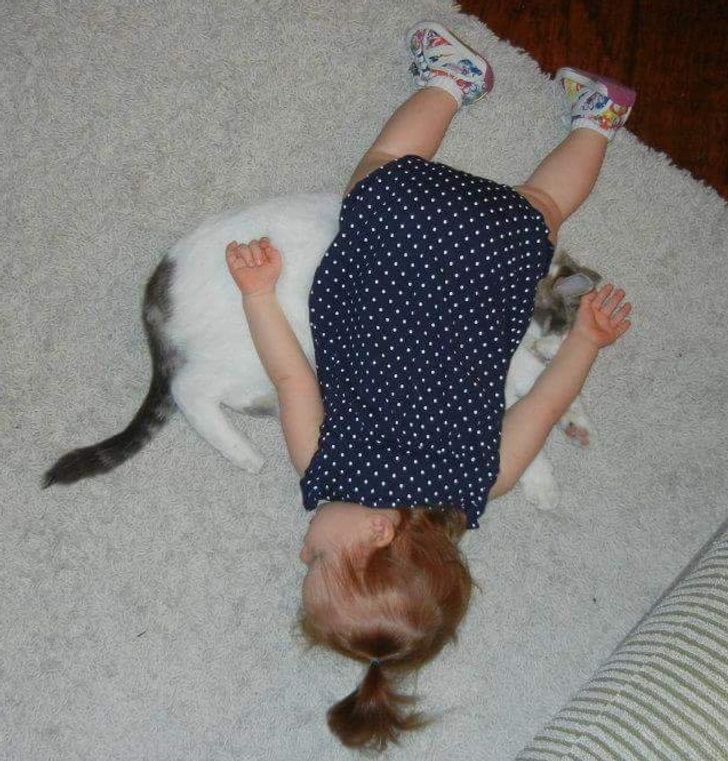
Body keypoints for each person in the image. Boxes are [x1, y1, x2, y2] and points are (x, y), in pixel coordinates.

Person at [225, 20, 634, 752]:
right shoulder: (320, 467)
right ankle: (449, 80)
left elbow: (544, 403)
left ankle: (599, 117)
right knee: (382, 161)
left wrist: (587, 341)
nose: (301, 552)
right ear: (378, 535)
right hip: (393, 231)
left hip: (495, 260)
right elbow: (290, 375)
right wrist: (258, 295)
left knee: (547, 202)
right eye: (317, 562)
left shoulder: (481, 484)